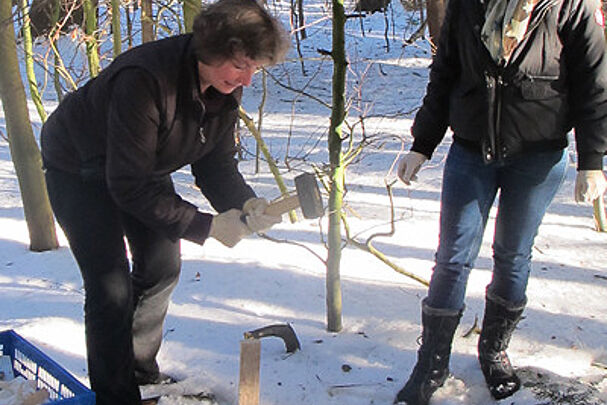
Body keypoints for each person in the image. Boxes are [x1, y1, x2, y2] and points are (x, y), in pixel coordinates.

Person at [40, 1, 290, 404]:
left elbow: (215, 166)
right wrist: (206, 226)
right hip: (80, 169)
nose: (247, 79)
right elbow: (128, 184)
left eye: (255, 68)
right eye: (241, 65)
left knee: (161, 267)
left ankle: (139, 370)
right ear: (213, 52)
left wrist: (245, 203)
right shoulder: (145, 80)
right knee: (111, 287)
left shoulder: (223, 93)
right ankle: (116, 395)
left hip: (140, 167)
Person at [394, 0, 607, 403]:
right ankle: (431, 364)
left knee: (513, 255)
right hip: (470, 153)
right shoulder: (467, 4)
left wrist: (592, 161)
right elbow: (445, 74)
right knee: (452, 257)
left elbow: (594, 81)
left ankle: (494, 351)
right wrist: (422, 143)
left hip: (539, 157)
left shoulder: (572, 7)